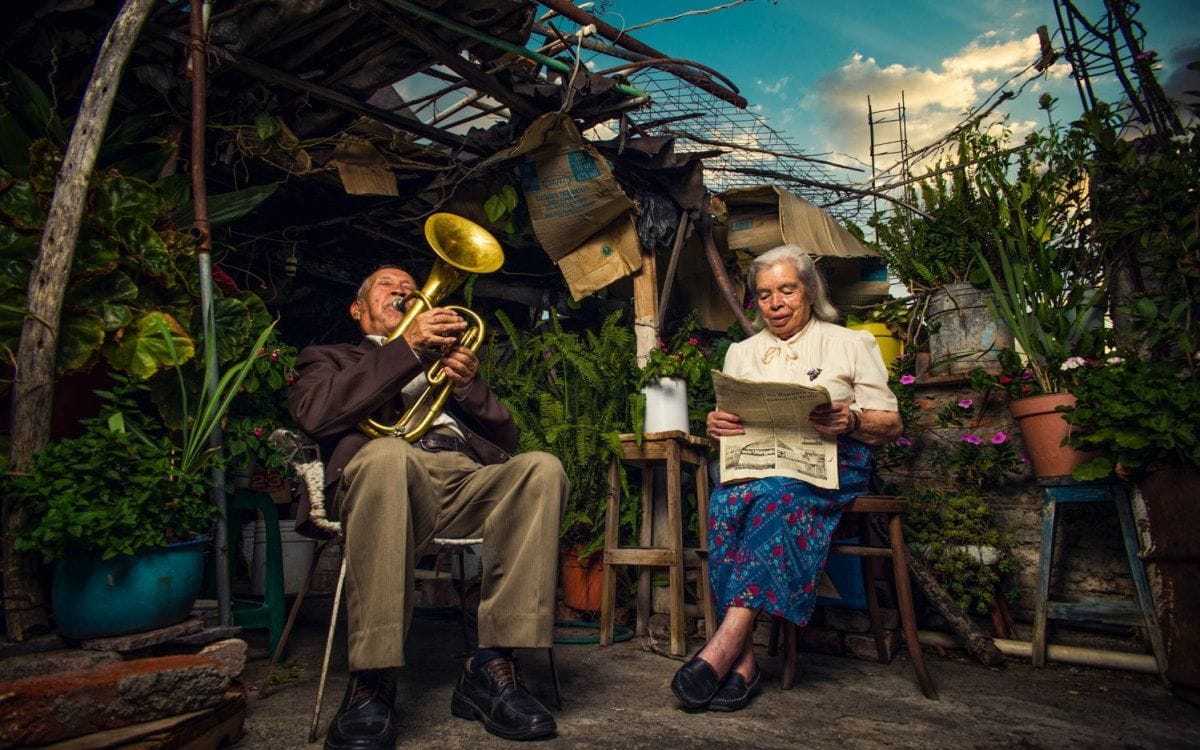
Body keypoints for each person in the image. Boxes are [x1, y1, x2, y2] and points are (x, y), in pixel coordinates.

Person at [289, 266, 567, 749]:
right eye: (386, 285)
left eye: (409, 287)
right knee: (389, 455)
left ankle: (491, 665)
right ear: (357, 311)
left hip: (461, 477)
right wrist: (407, 350)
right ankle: (372, 680)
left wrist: (466, 387)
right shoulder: (330, 357)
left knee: (542, 467)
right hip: (381, 476)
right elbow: (316, 415)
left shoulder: (445, 359)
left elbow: (506, 436)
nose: (402, 291)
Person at [671, 245, 902, 712]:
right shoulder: (741, 352)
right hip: (759, 467)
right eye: (764, 295)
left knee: (777, 497)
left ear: (809, 292)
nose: (775, 303)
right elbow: (730, 425)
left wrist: (853, 420)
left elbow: (892, 424)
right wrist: (717, 426)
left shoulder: (850, 342)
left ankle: (725, 644)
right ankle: (745, 664)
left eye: (786, 290)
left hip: (832, 465)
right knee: (725, 503)